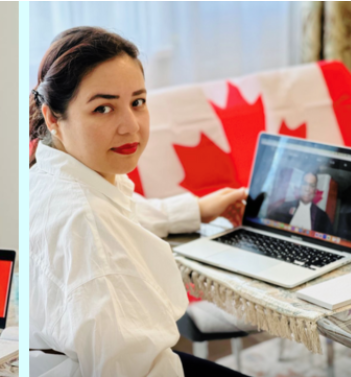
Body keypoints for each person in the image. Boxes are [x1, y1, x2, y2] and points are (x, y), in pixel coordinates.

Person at [29, 27, 249, 377]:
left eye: (138, 102)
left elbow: (124, 210)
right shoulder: (87, 222)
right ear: (53, 117)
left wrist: (196, 208)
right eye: (103, 109)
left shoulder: (54, 174)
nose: (130, 126)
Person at [268, 172, 333, 234]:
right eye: (305, 184)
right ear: (300, 186)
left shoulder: (323, 217)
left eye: (312, 185)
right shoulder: (285, 207)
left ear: (315, 190)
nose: (307, 189)